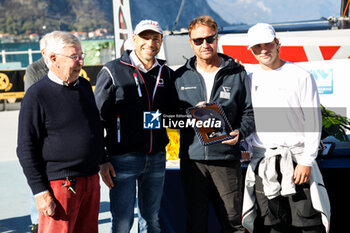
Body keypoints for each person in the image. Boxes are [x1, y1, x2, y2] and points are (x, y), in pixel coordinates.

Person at [242, 23, 330, 233]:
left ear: (277, 43)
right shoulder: (249, 79)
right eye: (257, 46)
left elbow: (313, 121)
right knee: (273, 226)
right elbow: (247, 119)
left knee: (308, 224)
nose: (263, 50)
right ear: (251, 50)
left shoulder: (300, 75)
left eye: (268, 44)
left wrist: (307, 161)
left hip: (297, 162)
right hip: (265, 164)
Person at [17, 31, 104, 233]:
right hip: (60, 186)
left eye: (82, 55)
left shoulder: (83, 86)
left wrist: (103, 159)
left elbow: (94, 128)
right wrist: (40, 191)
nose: (81, 62)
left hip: (91, 180)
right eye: (74, 57)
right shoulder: (36, 95)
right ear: (53, 59)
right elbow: (25, 147)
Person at [174, 15, 254, 233]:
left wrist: (241, 132)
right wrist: (189, 117)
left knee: (234, 223)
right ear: (190, 42)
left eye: (209, 38)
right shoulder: (179, 77)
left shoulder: (236, 72)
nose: (205, 44)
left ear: (217, 38)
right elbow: (167, 118)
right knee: (196, 223)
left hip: (226, 160)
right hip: (192, 161)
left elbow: (250, 112)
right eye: (198, 41)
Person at [94, 20, 176, 233]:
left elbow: (174, 112)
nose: (150, 43)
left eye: (155, 38)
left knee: (151, 220)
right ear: (134, 40)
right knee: (122, 223)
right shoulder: (112, 70)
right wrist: (101, 159)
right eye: (145, 38)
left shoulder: (166, 73)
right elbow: (96, 119)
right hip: (123, 159)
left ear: (161, 41)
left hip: (157, 157)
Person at [23, 31, 51, 233]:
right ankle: (36, 220)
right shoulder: (34, 69)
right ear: (44, 51)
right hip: (41, 133)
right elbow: (32, 97)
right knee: (39, 178)